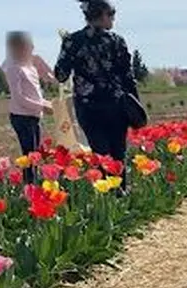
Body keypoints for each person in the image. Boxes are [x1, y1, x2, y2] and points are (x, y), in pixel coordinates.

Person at [54, 0, 138, 185]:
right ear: (101, 15)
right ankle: (121, 194)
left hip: (88, 107)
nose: (113, 20)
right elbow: (127, 76)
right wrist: (136, 107)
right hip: (116, 106)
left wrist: (67, 52)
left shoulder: (73, 41)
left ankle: (106, 193)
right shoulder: (116, 41)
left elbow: (61, 75)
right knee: (118, 154)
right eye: (112, 14)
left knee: (101, 154)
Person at [4, 31, 52, 184]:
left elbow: (34, 93)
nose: (31, 49)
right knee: (29, 154)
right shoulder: (13, 68)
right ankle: (29, 185)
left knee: (35, 154)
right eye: (27, 46)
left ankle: (33, 183)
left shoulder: (29, 66)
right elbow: (20, 98)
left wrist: (46, 103)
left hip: (34, 115)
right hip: (22, 116)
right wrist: (42, 106)